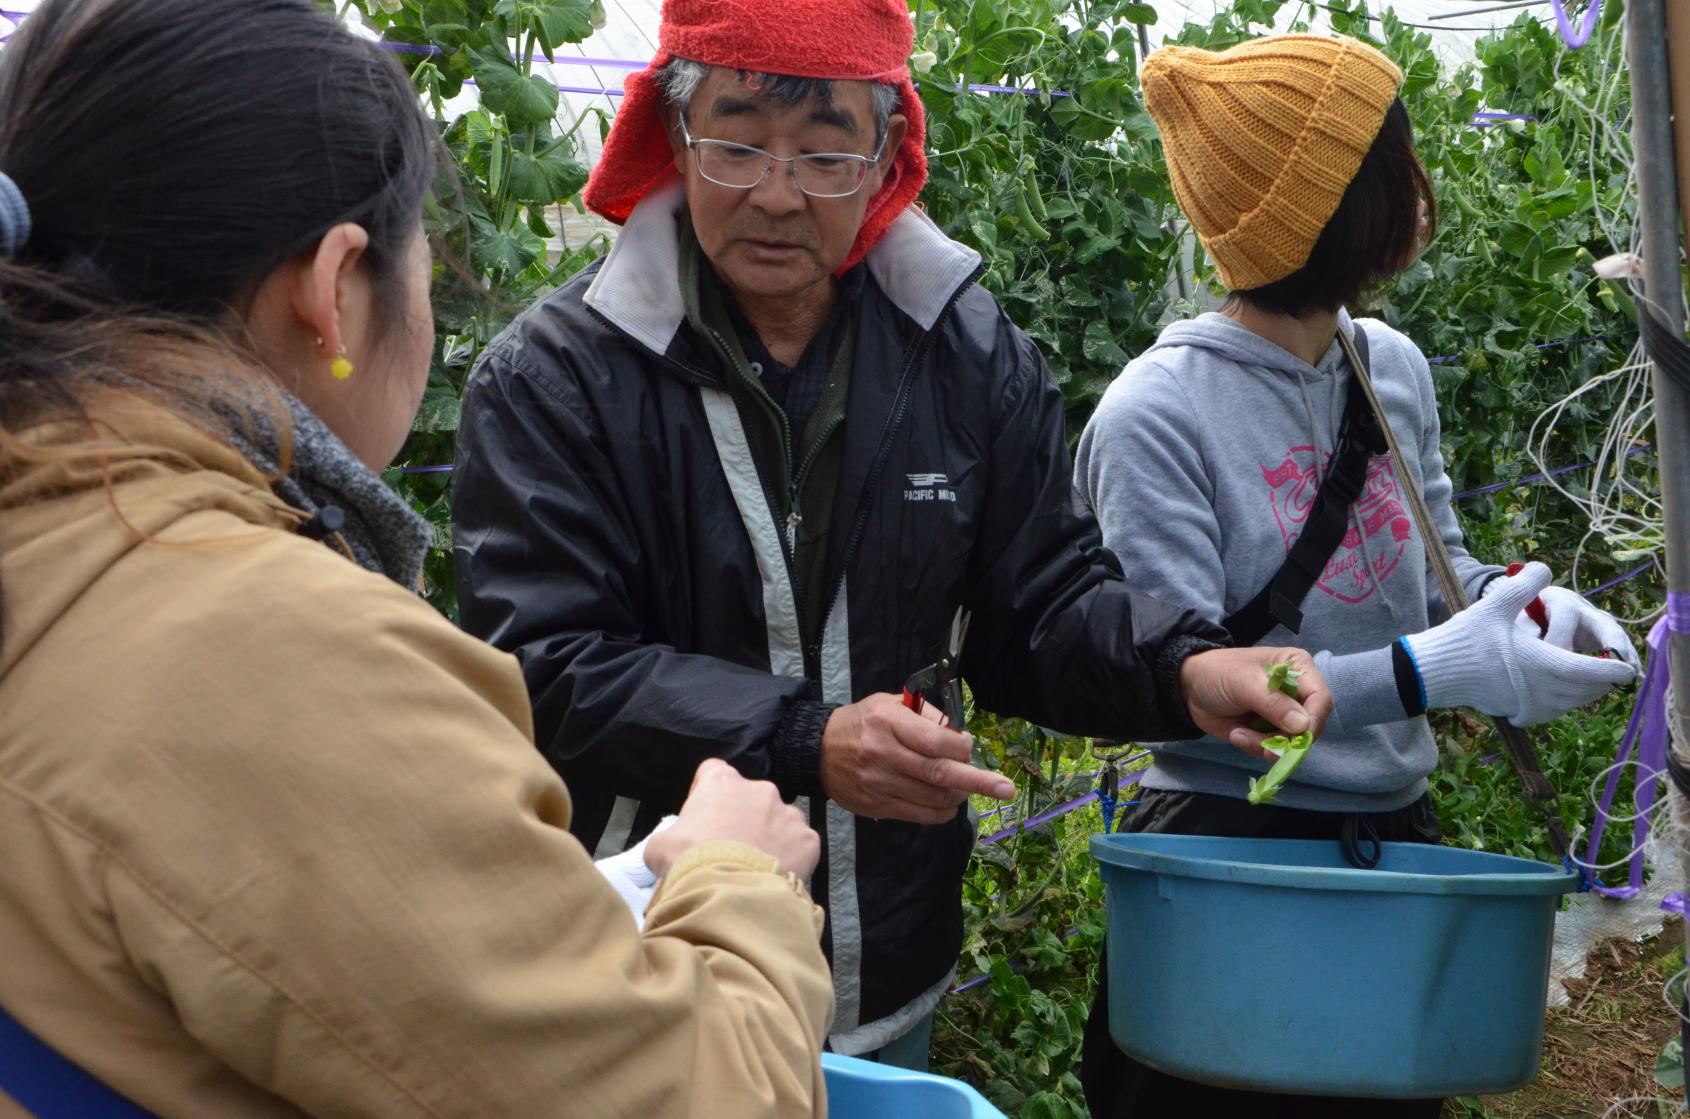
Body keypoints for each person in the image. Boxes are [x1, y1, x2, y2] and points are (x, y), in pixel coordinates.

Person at [451, 0, 1336, 1067]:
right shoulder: (557, 378)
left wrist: (1187, 667)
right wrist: (805, 740)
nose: (777, 195)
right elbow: (545, 667)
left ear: (887, 158)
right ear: (673, 138)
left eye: (826, 154)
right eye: (736, 146)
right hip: (636, 965)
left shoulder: (964, 352)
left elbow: (1041, 603)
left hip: (881, 967)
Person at [0, 2, 839, 1116]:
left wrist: (609, 888)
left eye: (825, 154)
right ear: (334, 287)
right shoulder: (267, 652)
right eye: (427, 260)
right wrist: (741, 879)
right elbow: (704, 1095)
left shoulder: (55, 535)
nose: (779, 192)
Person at [1072, 34, 1639, 1118]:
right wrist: (1429, 674)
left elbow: (1433, 574)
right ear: (1331, 202)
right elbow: (1185, 695)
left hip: (1387, 854)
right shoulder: (1155, 417)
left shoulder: (1386, 367)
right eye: (1393, 163)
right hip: (1229, 867)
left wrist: (1511, 613)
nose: (1415, 189)